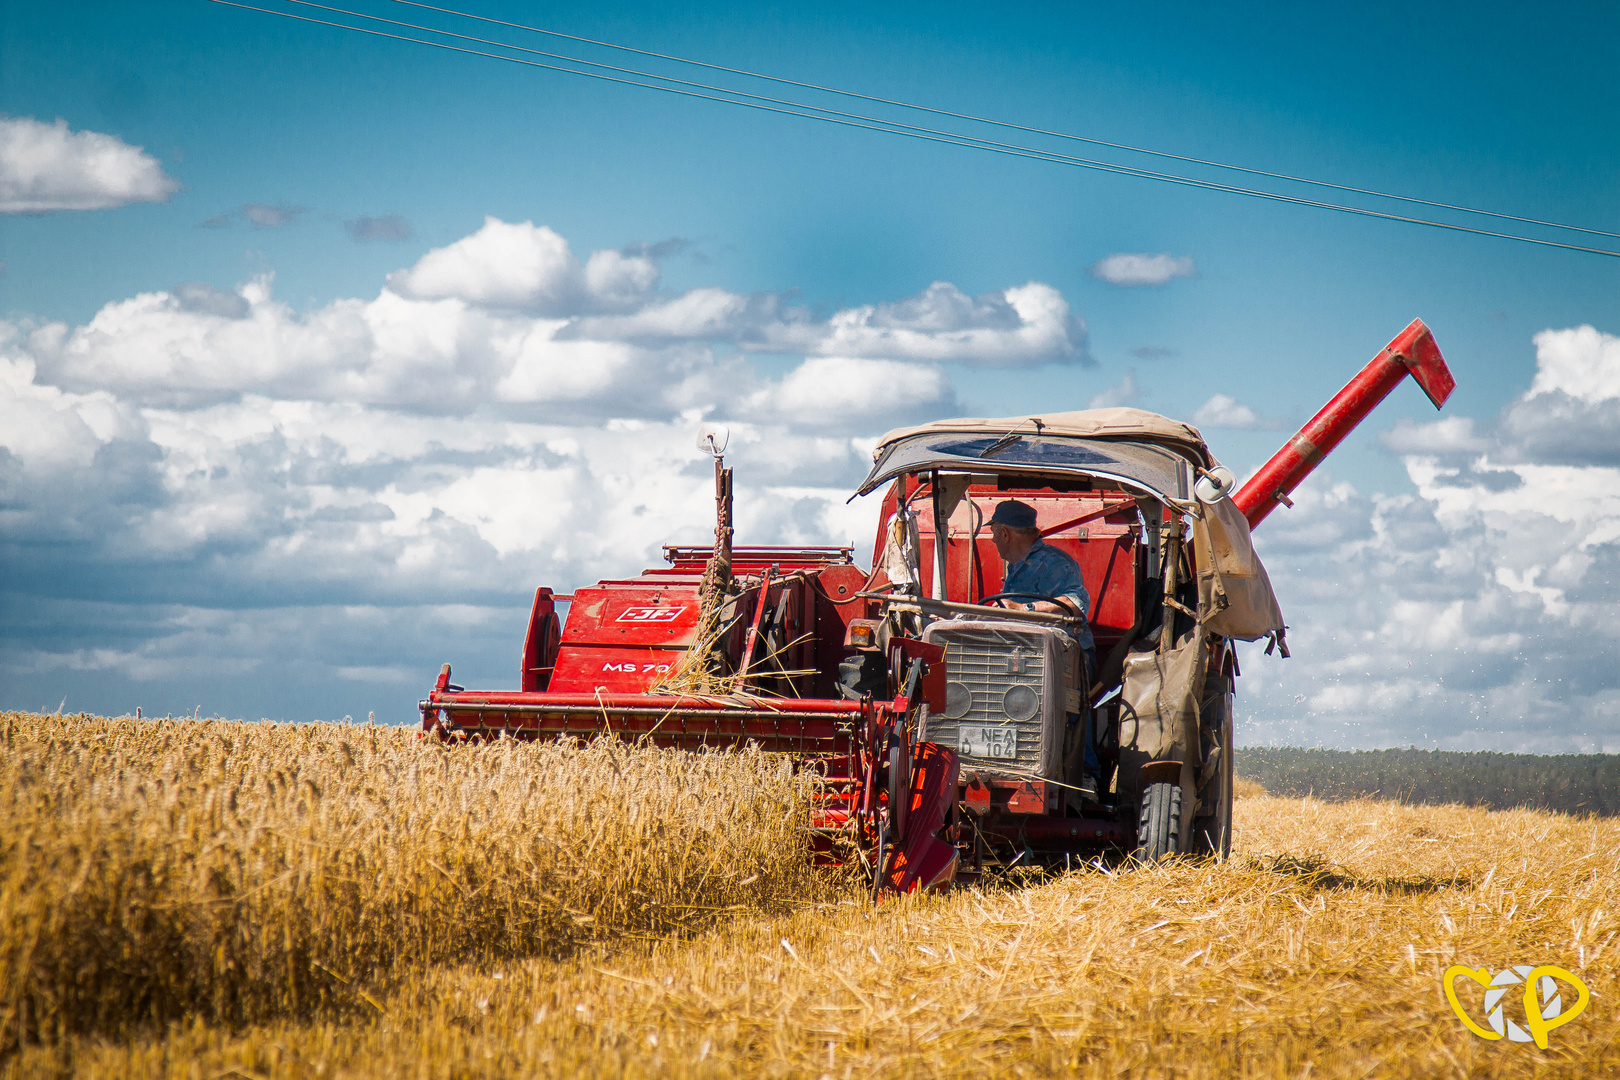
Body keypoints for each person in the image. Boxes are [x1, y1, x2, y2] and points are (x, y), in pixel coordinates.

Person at [988, 499, 1095, 672]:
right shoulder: (1016, 566)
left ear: (1005, 533)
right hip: (1030, 658)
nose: (993, 539)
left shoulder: (1052, 563)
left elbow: (1076, 604)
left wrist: (1023, 609)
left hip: (1064, 662)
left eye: (993, 532)